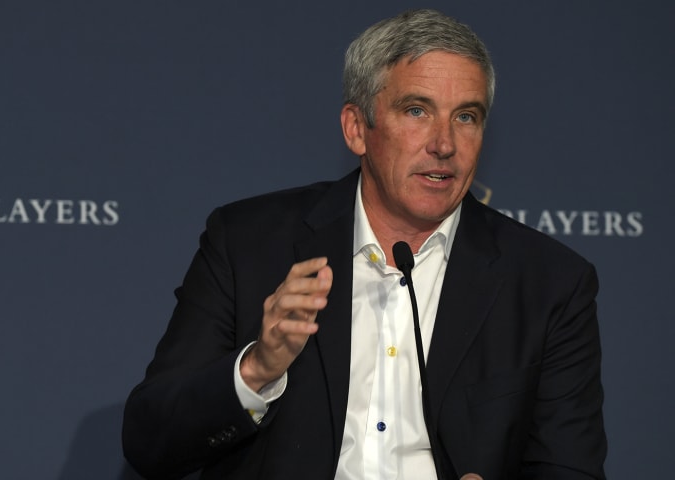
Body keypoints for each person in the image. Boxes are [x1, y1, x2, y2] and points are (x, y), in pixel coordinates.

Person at [122, 9, 606, 480]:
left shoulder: (548, 283)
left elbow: (570, 467)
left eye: (466, 116)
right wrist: (256, 369)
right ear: (357, 128)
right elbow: (150, 441)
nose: (444, 144)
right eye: (417, 110)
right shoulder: (248, 243)